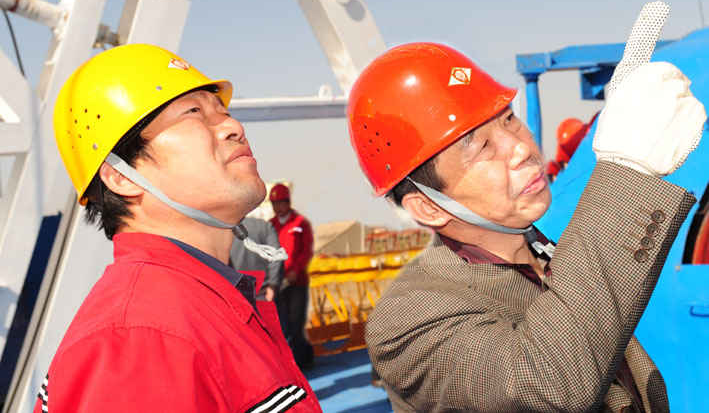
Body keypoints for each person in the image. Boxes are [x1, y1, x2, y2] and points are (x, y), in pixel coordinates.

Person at [346, 40, 705, 411]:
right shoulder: (407, 322)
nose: (521, 148)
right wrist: (628, 173)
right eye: (481, 147)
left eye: (508, 120)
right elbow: (544, 383)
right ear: (428, 207)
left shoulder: (547, 252)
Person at [36, 44, 322, 412]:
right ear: (123, 177)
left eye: (224, 112)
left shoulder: (196, 307)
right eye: (194, 113)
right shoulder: (140, 341)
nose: (235, 127)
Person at [269, 183, 315, 369]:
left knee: (296, 322)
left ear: (288, 202)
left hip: (297, 283)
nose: (277, 206)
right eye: (274, 203)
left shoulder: (300, 223)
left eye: (280, 202)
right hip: (278, 283)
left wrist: (297, 270)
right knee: (282, 323)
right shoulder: (270, 226)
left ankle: (300, 363)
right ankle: (302, 355)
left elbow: (306, 250)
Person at [230, 216, 284, 301]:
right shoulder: (265, 226)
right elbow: (276, 257)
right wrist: (273, 285)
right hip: (264, 292)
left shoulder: (224, 230)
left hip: (236, 292)